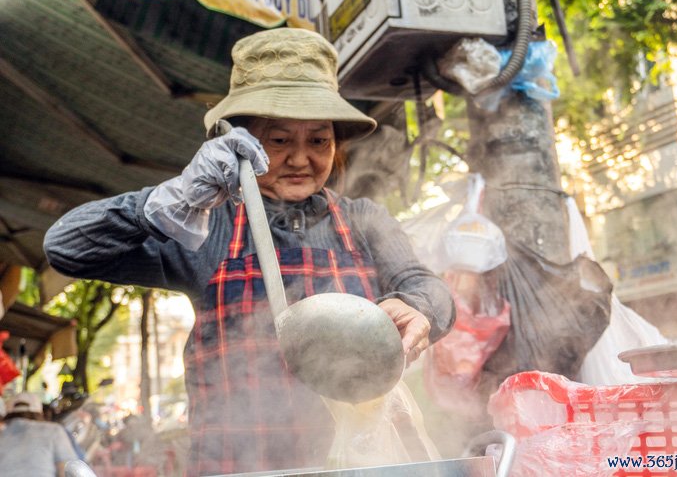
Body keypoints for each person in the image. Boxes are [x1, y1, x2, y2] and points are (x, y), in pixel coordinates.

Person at [44, 27, 455, 476]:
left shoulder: (363, 220)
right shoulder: (207, 226)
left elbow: (426, 286)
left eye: (318, 140)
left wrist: (418, 308)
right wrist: (167, 201)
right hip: (236, 467)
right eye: (278, 140)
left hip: (355, 465)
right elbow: (66, 248)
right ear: (240, 142)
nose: (301, 159)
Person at [0, 392, 78, 477]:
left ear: (8, 413)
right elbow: (68, 469)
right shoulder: (54, 430)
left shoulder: (2, 433)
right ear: (39, 412)